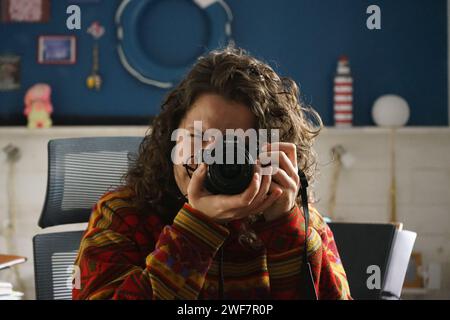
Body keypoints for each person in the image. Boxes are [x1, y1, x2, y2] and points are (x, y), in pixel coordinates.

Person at [72, 46, 351, 300]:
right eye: (198, 136)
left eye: (236, 144)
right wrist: (197, 227)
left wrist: (285, 225)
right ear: (173, 137)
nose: (211, 155)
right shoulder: (123, 215)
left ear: (269, 152)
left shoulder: (295, 217)